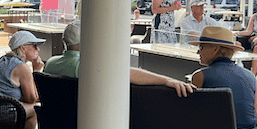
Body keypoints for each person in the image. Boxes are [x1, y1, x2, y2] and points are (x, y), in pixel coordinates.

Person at [42, 19, 195, 97]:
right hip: (85, 128)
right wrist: (167, 80)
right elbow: (126, 73)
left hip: (58, 125)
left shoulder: (50, 64)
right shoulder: (82, 67)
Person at [189, 26, 257, 129]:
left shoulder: (200, 76)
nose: (198, 52)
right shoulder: (251, 76)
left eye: (201, 48)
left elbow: (191, 115)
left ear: (215, 49)